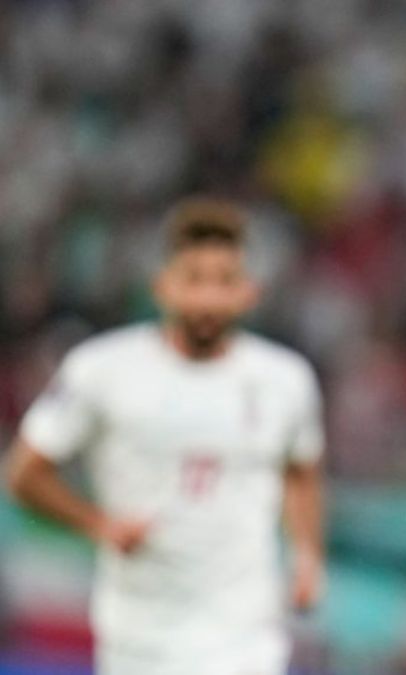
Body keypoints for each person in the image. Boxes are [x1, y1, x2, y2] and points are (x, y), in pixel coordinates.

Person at [5, 198, 326, 675]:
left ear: (249, 292)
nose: (208, 299)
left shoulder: (286, 380)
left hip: (247, 635)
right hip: (141, 637)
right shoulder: (100, 369)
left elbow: (301, 470)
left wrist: (306, 556)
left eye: (224, 281)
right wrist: (99, 524)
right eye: (194, 279)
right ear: (162, 286)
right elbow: (24, 474)